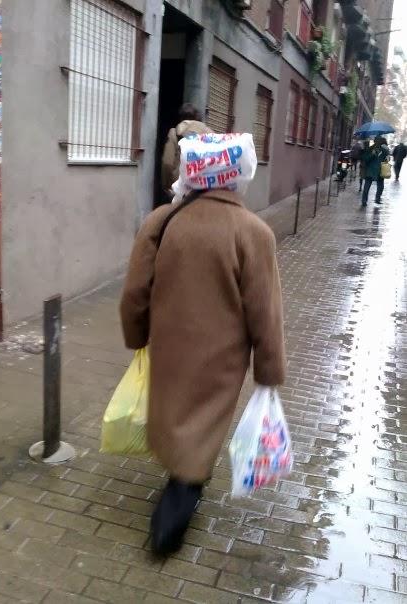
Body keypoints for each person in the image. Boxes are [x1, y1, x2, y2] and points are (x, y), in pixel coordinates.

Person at [120, 134, 286, 556]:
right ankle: (176, 506)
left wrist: (136, 335)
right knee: (201, 423)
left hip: (170, 346)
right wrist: (268, 373)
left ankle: (178, 481)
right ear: (237, 178)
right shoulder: (255, 233)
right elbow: (265, 313)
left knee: (174, 414)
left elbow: (135, 291)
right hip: (222, 358)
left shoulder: (162, 221)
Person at [161, 103, 212, 200]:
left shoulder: (174, 133)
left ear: (181, 118)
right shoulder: (210, 134)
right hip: (203, 187)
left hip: (180, 187)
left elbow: (167, 163)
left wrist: (167, 186)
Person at [361, 136, 389, 207]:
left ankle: (377, 199)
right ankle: (364, 201)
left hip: (380, 171)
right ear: (375, 141)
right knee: (367, 187)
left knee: (380, 187)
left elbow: (387, 160)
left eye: (379, 141)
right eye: (377, 141)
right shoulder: (370, 149)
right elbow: (365, 159)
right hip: (370, 171)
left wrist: (387, 158)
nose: (378, 142)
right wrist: (372, 154)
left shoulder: (384, 150)